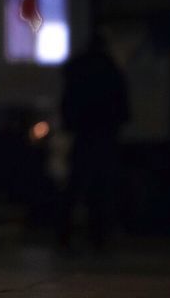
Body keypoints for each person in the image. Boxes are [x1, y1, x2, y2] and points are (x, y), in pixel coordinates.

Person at [56, 32, 130, 251]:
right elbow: (122, 106)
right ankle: (97, 235)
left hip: (84, 133)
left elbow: (68, 101)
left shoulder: (79, 69)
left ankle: (66, 232)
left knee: (77, 183)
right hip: (104, 134)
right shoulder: (110, 69)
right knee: (101, 186)